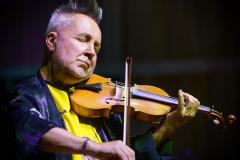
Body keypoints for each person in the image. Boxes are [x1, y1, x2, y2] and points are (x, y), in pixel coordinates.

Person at [4, 0, 200, 160]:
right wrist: (95, 148)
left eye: (96, 47)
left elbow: (129, 154)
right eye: (83, 39)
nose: (91, 52)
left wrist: (167, 127)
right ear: (52, 41)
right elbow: (32, 129)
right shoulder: (24, 94)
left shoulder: (102, 107)